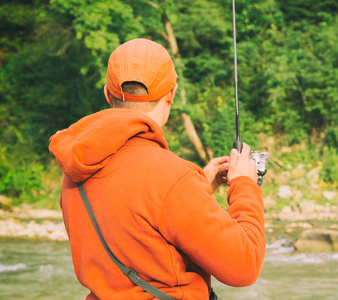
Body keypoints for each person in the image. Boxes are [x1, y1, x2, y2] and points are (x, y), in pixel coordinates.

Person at [49, 38, 265, 300]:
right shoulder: (172, 178)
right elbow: (245, 266)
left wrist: (198, 187)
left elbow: (132, 224)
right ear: (171, 94)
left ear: (108, 94)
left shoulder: (74, 172)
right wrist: (245, 185)